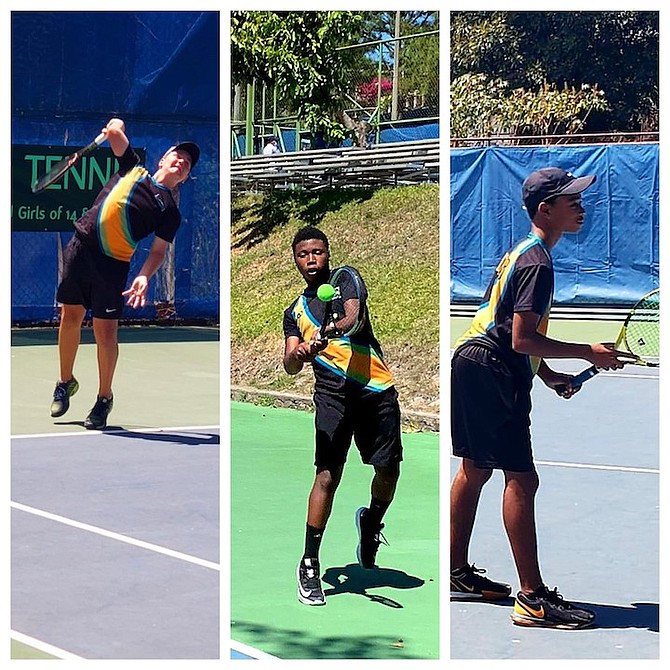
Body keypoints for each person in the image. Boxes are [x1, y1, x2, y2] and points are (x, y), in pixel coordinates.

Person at [450, 167, 632, 629]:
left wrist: (550, 375)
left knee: (474, 470)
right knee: (522, 480)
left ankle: (456, 574)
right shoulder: (538, 263)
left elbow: (504, 325)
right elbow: (520, 338)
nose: (581, 205)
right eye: (571, 199)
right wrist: (587, 351)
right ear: (545, 209)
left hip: (471, 362)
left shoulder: (521, 253)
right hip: (491, 369)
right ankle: (531, 599)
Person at [49, 117, 200, 430]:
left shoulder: (169, 212)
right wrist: (113, 127)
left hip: (113, 265)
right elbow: (117, 129)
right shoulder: (133, 168)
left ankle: (104, 398)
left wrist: (144, 276)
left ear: (185, 178)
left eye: (187, 164)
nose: (182, 161)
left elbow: (157, 252)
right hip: (80, 248)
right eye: (178, 155)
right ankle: (65, 381)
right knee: (69, 318)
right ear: (163, 158)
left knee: (105, 333)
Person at [283, 226, 403, 606]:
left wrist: (327, 332)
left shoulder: (345, 279)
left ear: (328, 253)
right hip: (333, 397)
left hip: (375, 389)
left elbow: (351, 319)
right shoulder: (294, 312)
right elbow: (288, 365)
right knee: (326, 476)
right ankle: (309, 562)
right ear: (296, 260)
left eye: (318, 251)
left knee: (388, 470)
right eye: (304, 254)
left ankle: (371, 521)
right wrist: (300, 351)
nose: (312, 259)